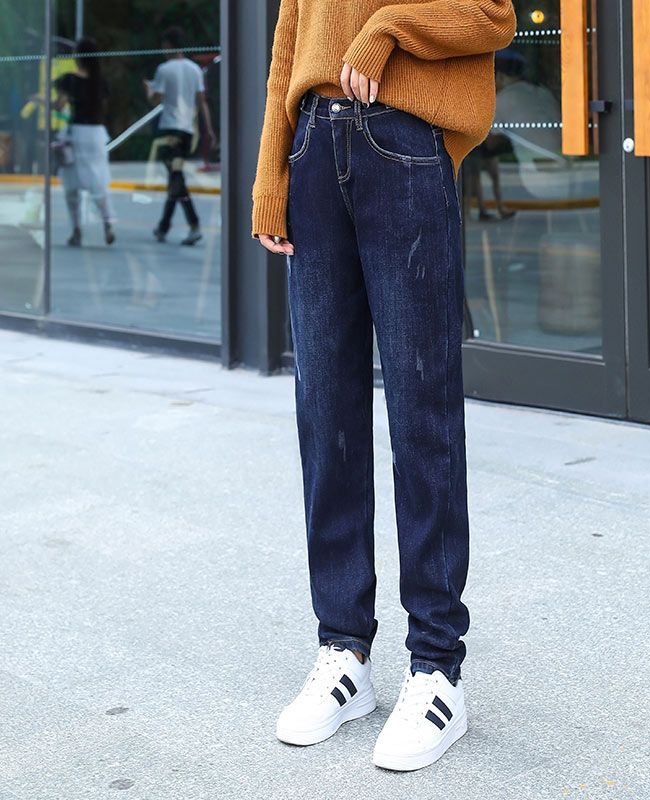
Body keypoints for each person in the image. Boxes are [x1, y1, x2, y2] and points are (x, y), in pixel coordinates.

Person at [251, 0, 516, 772]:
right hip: (312, 151)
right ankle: (343, 653)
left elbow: (493, 15)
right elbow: (284, 52)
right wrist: (273, 169)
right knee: (324, 414)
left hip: (403, 147)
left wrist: (390, 27)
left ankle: (437, 668)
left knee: (420, 411)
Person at [144, 25, 216, 246]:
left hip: (168, 130)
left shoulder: (164, 69)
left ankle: (192, 225)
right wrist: (209, 129)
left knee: (176, 179)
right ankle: (163, 227)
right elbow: (201, 101)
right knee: (175, 178)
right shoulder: (194, 70)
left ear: (168, 47)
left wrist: (148, 89)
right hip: (187, 131)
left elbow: (155, 99)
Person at [53, 37, 115, 247]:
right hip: (97, 134)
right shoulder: (102, 82)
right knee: (98, 182)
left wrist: (40, 100)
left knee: (71, 186)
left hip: (76, 134)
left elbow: (59, 106)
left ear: (77, 57)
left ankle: (77, 230)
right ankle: (107, 223)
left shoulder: (69, 80)